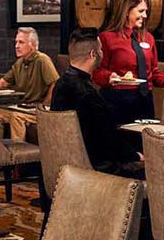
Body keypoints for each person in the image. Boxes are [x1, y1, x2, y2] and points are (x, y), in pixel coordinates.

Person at [50, 28, 142, 178]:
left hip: (69, 168)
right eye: (100, 49)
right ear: (93, 54)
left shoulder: (60, 85)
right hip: (97, 171)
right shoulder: (88, 95)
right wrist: (135, 155)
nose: (102, 52)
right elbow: (108, 140)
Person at [93, 0, 164, 124]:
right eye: (141, 11)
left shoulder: (149, 38)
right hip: (117, 101)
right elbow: (97, 72)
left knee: (143, 143)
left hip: (145, 102)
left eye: (146, 11)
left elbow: (154, 75)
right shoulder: (107, 38)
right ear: (127, 11)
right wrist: (109, 77)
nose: (145, 15)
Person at [0, 27, 59, 140]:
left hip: (38, 108)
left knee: (16, 117)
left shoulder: (42, 60)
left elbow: (55, 83)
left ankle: (19, 154)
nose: (16, 46)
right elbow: (3, 83)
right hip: (23, 107)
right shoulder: (20, 63)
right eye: (16, 42)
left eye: (21, 42)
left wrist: (45, 106)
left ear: (32, 45)